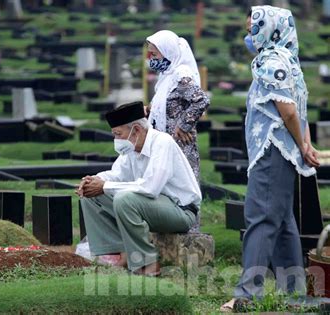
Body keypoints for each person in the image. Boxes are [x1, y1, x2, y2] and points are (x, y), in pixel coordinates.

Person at [221, 6, 320, 312]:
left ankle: (247, 294)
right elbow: (298, 111)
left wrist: (304, 145)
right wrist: (305, 143)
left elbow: (288, 111)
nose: (249, 35)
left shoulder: (271, 60)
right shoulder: (289, 60)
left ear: (270, 29)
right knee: (282, 221)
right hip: (283, 151)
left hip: (273, 150)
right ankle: (294, 293)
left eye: (253, 29)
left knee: (260, 218)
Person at [77, 101, 202, 276]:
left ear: (136, 130)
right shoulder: (131, 149)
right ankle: (119, 254)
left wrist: (105, 186)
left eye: (118, 134)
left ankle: (147, 262)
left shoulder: (162, 142)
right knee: (91, 195)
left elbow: (151, 188)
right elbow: (116, 174)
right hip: (151, 206)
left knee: (124, 199)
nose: (116, 140)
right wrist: (96, 180)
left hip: (180, 211)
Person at [145, 30, 210, 232]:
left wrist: (184, 124)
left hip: (181, 144)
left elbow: (201, 100)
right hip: (165, 143)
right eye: (149, 54)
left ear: (167, 52)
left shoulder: (181, 75)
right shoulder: (167, 76)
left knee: (184, 187)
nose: (150, 59)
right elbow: (169, 104)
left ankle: (190, 233)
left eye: (154, 54)